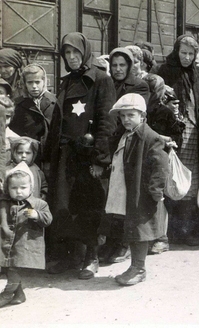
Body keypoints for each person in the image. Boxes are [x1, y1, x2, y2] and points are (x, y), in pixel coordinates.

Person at [45, 32, 116, 279]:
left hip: (87, 156)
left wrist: (99, 159)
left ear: (85, 52)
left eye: (76, 52)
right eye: (67, 53)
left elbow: (107, 122)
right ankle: (70, 257)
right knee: (64, 206)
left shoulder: (101, 79)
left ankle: (91, 257)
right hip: (65, 154)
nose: (72, 57)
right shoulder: (66, 81)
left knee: (90, 205)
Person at [99, 93, 169, 286]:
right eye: (123, 116)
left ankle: (139, 267)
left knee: (140, 229)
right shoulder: (124, 136)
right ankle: (135, 266)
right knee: (131, 227)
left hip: (141, 191)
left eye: (131, 115)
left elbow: (160, 165)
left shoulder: (150, 137)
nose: (126, 120)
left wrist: (155, 190)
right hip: (126, 188)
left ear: (142, 116)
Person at [156, 35, 199, 245]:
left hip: (194, 133)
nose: (187, 58)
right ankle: (165, 234)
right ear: (176, 52)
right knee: (170, 180)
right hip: (173, 132)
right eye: (183, 53)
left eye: (191, 54)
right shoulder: (165, 71)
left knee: (190, 180)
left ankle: (185, 231)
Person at [143, 74, 186, 255]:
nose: (151, 94)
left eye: (154, 90)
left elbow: (177, 136)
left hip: (160, 159)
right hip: (142, 159)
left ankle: (162, 238)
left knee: (159, 197)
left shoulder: (165, 112)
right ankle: (148, 237)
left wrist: (167, 141)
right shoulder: (140, 109)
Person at [0, 161, 52, 308]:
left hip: (24, 244)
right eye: (14, 188)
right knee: (9, 268)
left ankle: (6, 294)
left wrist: (36, 215)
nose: (18, 191)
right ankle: (19, 294)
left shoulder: (38, 204)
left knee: (13, 269)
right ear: (7, 188)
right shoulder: (3, 203)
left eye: (23, 188)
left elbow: (48, 219)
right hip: (6, 242)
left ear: (31, 188)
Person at [9, 64, 56, 165]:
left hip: (50, 156)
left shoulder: (54, 102)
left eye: (37, 82)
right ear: (25, 83)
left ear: (44, 81)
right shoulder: (18, 105)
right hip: (27, 157)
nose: (34, 86)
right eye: (30, 82)